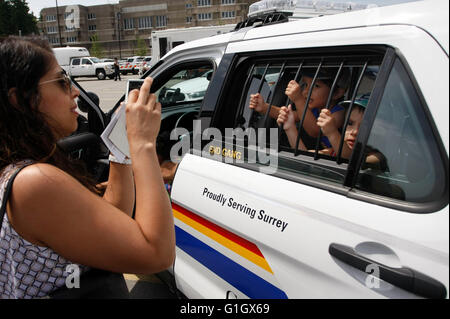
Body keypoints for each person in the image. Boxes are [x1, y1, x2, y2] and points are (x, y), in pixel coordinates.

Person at [0, 36, 175, 298]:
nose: (75, 92)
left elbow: (112, 215)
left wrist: (122, 145)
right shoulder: (34, 182)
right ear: (20, 99)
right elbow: (156, 254)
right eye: (61, 82)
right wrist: (143, 144)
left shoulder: (23, 169)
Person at [249, 68, 349, 148]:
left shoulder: (339, 112)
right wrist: (264, 107)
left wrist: (299, 100)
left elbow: (316, 131)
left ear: (337, 93)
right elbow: (287, 115)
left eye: (316, 85)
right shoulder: (313, 110)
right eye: (305, 85)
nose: (305, 91)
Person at [278, 94, 385, 166]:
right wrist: (290, 128)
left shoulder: (376, 157)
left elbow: (350, 160)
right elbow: (305, 156)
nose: (355, 131)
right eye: (350, 123)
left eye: (364, 127)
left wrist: (332, 133)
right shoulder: (333, 151)